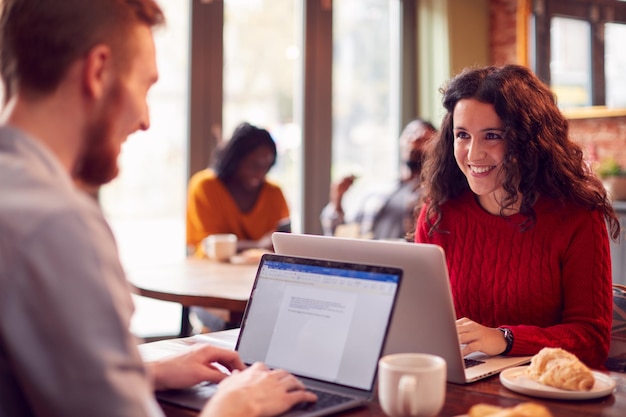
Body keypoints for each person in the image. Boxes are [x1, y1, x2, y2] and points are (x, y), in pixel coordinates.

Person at [0, 1, 316, 416]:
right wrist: (238, 405)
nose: (145, 119)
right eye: (145, 86)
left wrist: (146, 371)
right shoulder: (58, 224)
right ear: (97, 71)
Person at [415, 64, 619, 369]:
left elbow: (592, 339)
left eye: (492, 136)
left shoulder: (576, 216)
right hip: (463, 385)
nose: (473, 154)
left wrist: (505, 339)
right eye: (462, 135)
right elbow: (419, 320)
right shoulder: (440, 212)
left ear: (529, 141)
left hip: (547, 392)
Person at [186, 122, 290, 257]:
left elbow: (282, 244)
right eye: (253, 164)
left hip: (258, 273)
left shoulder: (274, 193)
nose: (260, 173)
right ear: (235, 159)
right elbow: (210, 246)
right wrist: (258, 245)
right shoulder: (205, 186)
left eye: (266, 166)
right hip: (210, 272)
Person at [320, 119, 436, 240]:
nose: (414, 139)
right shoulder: (375, 192)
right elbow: (341, 238)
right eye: (410, 133)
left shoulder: (434, 195)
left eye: (424, 137)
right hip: (367, 258)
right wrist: (337, 200)